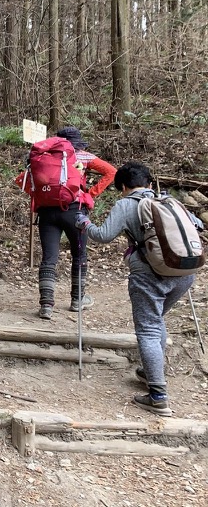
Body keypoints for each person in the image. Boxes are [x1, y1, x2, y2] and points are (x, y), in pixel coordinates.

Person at [74, 162, 196, 417]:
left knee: (149, 328)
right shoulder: (169, 201)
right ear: (149, 184)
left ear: (122, 188)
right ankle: (151, 371)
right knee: (156, 319)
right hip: (185, 272)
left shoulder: (126, 204)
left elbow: (104, 235)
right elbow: (198, 226)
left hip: (150, 274)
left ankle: (158, 396)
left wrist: (84, 223)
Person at [36, 127, 116, 320]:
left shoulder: (44, 157)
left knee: (49, 258)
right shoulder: (83, 156)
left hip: (47, 211)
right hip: (75, 211)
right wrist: (91, 193)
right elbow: (111, 172)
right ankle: (77, 299)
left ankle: (46, 305)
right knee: (79, 254)